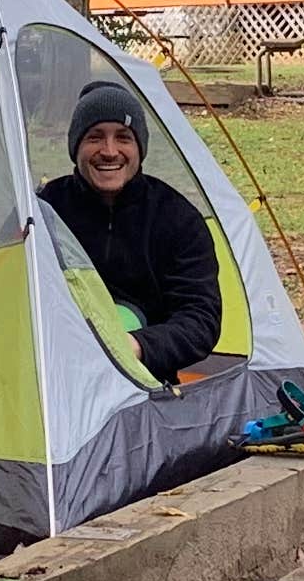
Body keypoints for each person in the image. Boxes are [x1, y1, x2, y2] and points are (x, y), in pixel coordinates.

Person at [36, 78, 224, 384]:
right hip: (55, 379)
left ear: (140, 147)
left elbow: (200, 319)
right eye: (95, 137)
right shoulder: (44, 211)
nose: (109, 151)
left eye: (123, 137)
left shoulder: (178, 219)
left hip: (148, 384)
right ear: (76, 146)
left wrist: (135, 346)